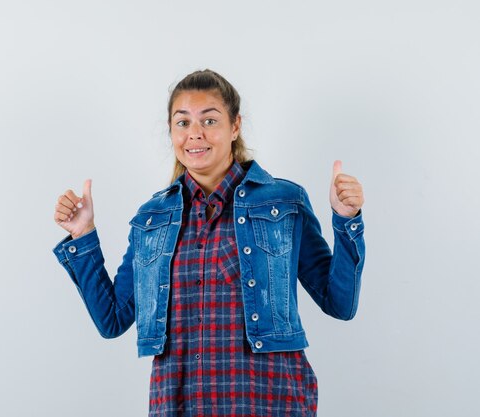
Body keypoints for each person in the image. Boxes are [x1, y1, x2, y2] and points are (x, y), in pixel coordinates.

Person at [52, 69, 365, 417]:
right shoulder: (152, 218)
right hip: (179, 402)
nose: (195, 134)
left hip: (269, 400)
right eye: (182, 122)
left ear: (234, 127)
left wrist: (346, 220)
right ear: (171, 132)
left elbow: (340, 303)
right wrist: (83, 235)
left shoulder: (284, 202)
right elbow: (111, 319)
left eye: (210, 120)